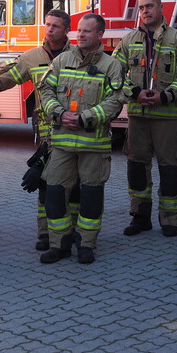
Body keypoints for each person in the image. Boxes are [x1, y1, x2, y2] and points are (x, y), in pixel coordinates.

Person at [37, 13, 124, 264]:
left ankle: (86, 244)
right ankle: (59, 244)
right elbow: (46, 91)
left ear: (100, 35)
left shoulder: (111, 65)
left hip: (93, 146)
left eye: (87, 31)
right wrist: (59, 113)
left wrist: (84, 117)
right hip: (62, 143)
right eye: (79, 30)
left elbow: (115, 102)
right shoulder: (63, 60)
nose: (81, 35)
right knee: (53, 193)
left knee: (91, 197)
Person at [112, 0, 177, 237]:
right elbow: (115, 74)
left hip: (167, 116)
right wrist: (135, 93)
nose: (145, 11)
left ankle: (170, 220)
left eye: (150, 6)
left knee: (169, 168)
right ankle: (140, 217)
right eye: (141, 8)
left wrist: (166, 95)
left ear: (161, 9)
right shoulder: (128, 40)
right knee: (136, 168)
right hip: (137, 116)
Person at [0, 9, 73, 252]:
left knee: (71, 185)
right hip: (47, 135)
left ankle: (72, 232)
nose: (49, 29)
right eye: (47, 24)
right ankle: (45, 234)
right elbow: (2, 80)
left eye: (55, 26)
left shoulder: (77, 56)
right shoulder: (31, 57)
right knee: (45, 185)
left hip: (72, 131)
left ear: (66, 30)